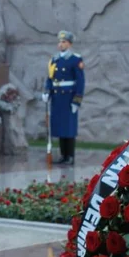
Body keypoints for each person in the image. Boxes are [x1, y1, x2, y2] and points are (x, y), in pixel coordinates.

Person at [44, 30, 85, 166]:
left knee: (69, 128)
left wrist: (77, 100)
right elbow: (50, 79)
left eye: (64, 42)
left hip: (68, 98)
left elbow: (80, 82)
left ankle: (70, 156)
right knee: (60, 127)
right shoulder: (54, 60)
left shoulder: (75, 59)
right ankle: (63, 155)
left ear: (70, 44)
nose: (61, 44)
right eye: (60, 42)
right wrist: (47, 92)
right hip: (57, 99)